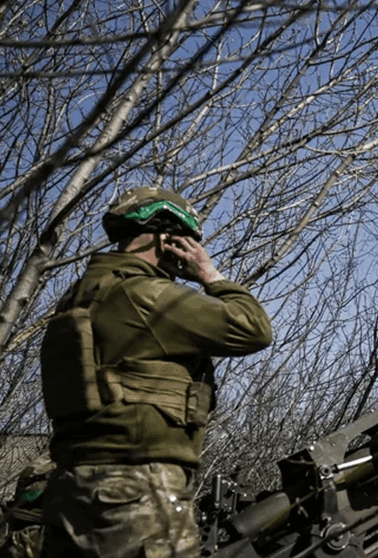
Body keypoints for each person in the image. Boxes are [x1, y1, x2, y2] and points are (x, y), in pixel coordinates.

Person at [38, 187, 272, 558]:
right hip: (137, 487)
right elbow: (253, 328)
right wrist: (209, 275)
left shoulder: (80, 298)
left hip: (72, 488)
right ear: (168, 240)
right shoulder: (147, 295)